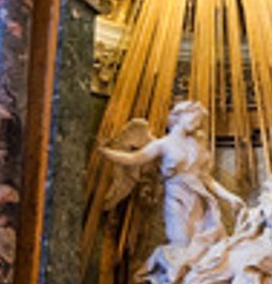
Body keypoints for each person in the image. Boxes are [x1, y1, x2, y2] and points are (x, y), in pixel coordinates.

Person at [98, 100, 243, 251]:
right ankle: (177, 272)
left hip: (197, 199)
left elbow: (206, 179)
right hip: (176, 197)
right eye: (194, 120)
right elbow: (134, 158)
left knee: (199, 245)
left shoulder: (198, 146)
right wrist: (106, 152)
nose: (197, 125)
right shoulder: (163, 144)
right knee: (180, 241)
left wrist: (229, 196)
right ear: (179, 117)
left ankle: (192, 273)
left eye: (199, 122)